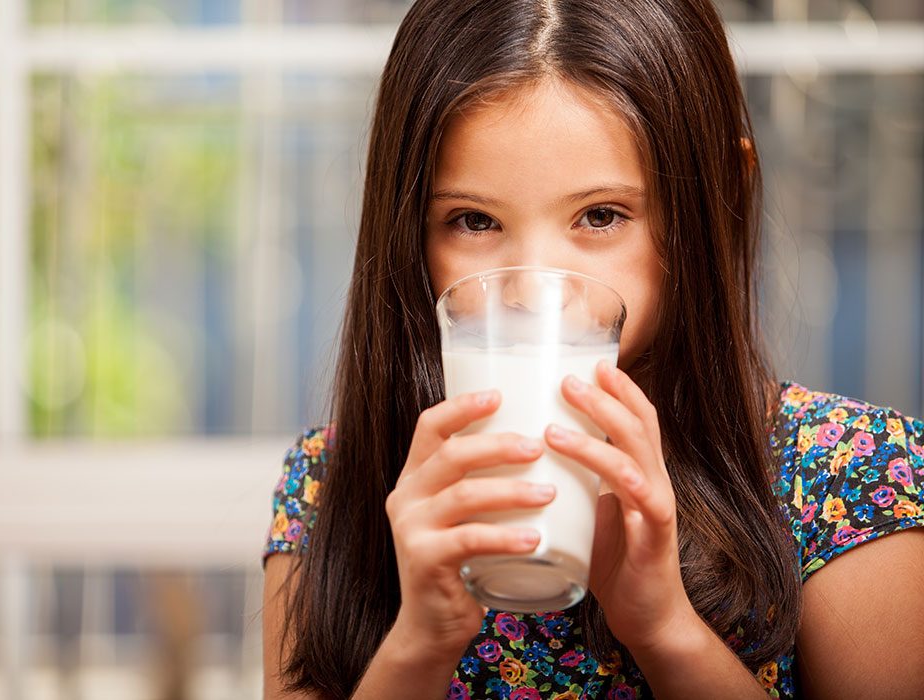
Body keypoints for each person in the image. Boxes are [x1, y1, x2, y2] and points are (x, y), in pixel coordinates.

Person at [261, 0, 924, 697]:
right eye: (474, 221)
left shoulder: (855, 481)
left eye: (601, 216)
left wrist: (666, 629)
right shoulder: (330, 489)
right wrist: (418, 645)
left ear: (722, 194)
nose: (531, 292)